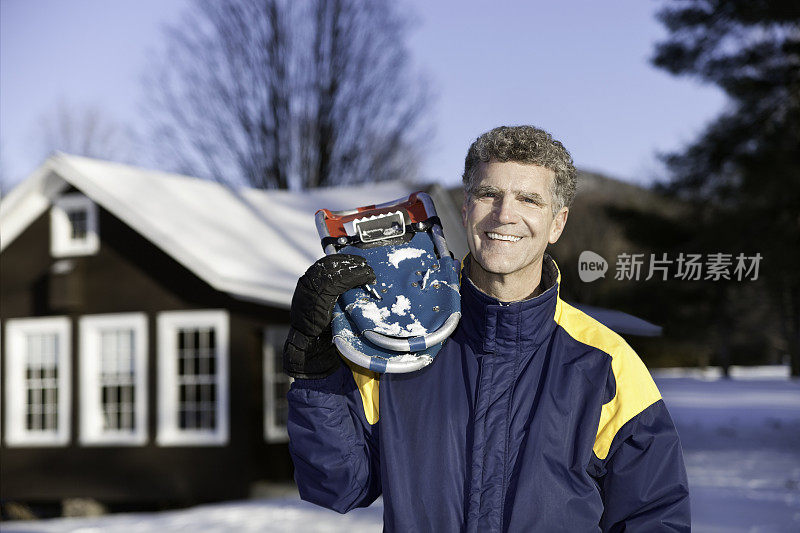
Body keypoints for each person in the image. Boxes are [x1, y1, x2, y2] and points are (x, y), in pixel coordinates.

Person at [283, 125, 691, 531]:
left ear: (557, 223)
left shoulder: (606, 363)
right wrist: (316, 374)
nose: (505, 214)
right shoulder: (400, 338)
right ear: (465, 209)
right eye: (488, 195)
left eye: (529, 199)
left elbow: (653, 516)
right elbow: (337, 484)